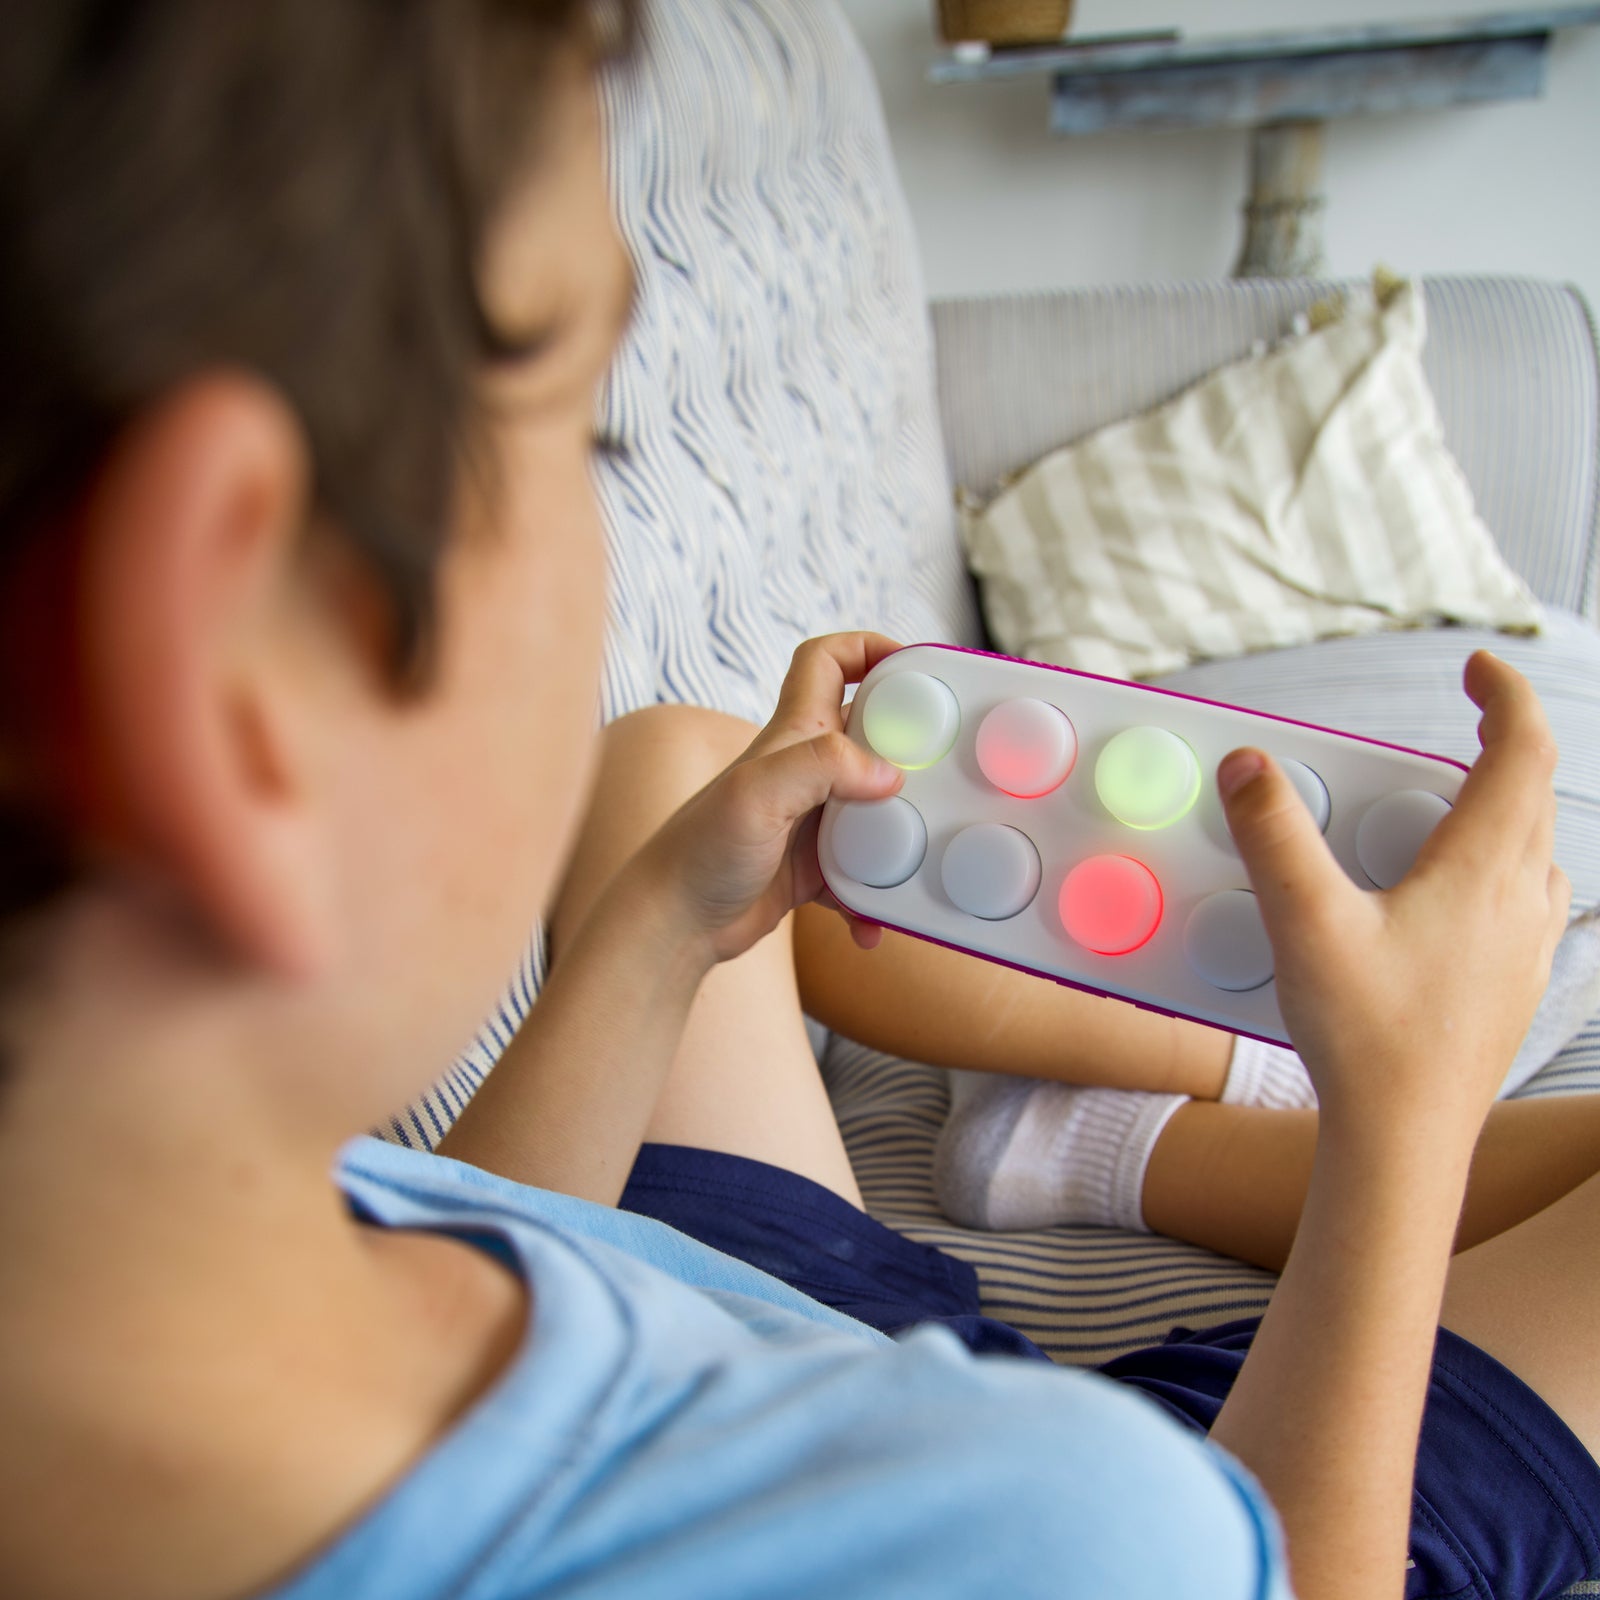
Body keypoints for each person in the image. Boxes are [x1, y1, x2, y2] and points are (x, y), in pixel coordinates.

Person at [0, 7, 1595, 1600]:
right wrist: (1398, 1126)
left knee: (677, 763)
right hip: (1243, 1486)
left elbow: (489, 1227)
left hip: (737, 1317)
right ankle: (1177, 1133)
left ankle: (1129, 1133)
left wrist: (650, 941)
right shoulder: (1101, 1532)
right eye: (581, 436)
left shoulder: (218, 1233)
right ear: (230, 685)